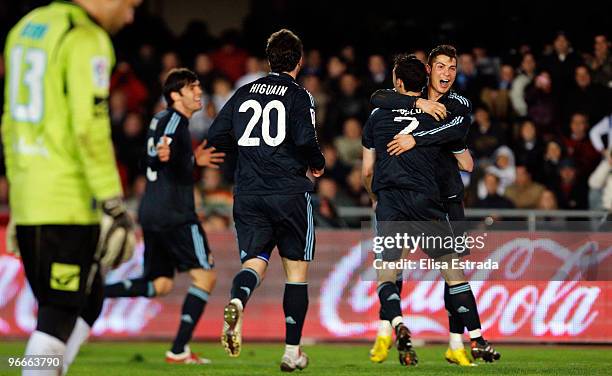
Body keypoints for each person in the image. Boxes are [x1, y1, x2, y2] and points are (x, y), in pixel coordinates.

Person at [2, 1, 141, 375]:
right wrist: (113, 200)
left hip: (32, 195)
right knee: (59, 313)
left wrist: (18, 198)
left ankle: (49, 369)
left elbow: (9, 124)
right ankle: (36, 369)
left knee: (90, 297)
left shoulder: (25, 27)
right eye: (130, 5)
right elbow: (89, 128)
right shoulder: (86, 37)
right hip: (67, 199)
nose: (129, 17)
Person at [370, 45, 500, 366]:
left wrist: (418, 139)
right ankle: (388, 329)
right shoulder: (413, 99)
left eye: (452, 68)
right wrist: (418, 103)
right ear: (428, 70)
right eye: (441, 67)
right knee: (403, 263)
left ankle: (456, 342)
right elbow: (378, 97)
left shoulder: (457, 103)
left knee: (450, 270)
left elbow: (457, 131)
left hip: (447, 198)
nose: (447, 74)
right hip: (422, 197)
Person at [207, 29, 325, 372]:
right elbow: (305, 140)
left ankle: (237, 300)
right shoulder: (299, 95)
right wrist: (317, 163)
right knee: (296, 274)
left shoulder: (243, 93)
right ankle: (292, 352)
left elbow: (216, 135)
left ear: (267, 60)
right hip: (288, 192)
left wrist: (245, 153)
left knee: (254, 263)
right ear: (300, 61)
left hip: (249, 193)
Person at [104, 68, 225, 364]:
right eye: (192, 88)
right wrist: (191, 160)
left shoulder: (158, 118)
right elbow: (165, 158)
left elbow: (147, 158)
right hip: (175, 212)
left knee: (160, 284)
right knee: (205, 276)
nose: (199, 92)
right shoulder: (174, 120)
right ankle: (179, 349)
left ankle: (95, 292)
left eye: (199, 86)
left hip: (152, 210)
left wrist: (171, 158)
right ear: (175, 95)